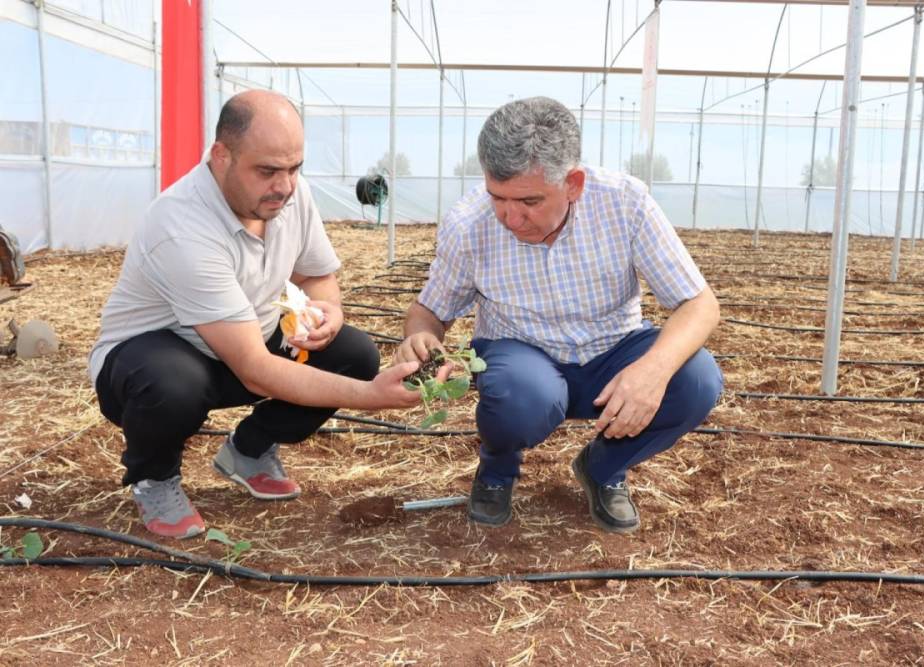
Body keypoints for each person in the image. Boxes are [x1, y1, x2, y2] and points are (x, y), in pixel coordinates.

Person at [90, 90, 429, 539]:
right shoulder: (181, 225)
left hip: (243, 341)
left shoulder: (289, 196)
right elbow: (253, 370)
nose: (285, 185)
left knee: (353, 353)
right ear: (221, 156)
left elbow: (316, 275)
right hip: (151, 363)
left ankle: (248, 451)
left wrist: (329, 309)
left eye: (294, 168)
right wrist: (371, 396)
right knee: (173, 385)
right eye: (268, 171)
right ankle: (154, 476)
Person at [395, 96, 723, 533]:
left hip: (612, 351)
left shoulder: (625, 203)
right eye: (498, 197)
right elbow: (429, 311)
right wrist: (421, 338)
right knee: (520, 398)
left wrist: (653, 371)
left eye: (529, 200)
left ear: (573, 184)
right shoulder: (469, 223)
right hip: (521, 355)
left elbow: (699, 304)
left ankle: (603, 468)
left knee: (696, 380)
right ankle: (497, 472)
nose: (511, 217)